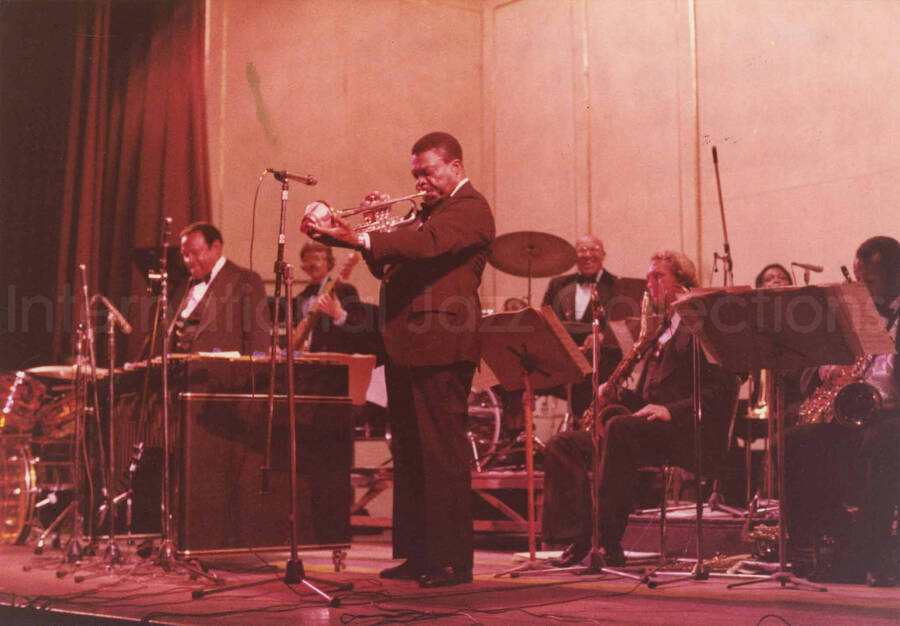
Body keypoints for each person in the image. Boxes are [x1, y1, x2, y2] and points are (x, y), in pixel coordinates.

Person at [308, 131, 495, 587]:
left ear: (454, 166)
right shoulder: (421, 216)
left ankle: (452, 560)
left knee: (441, 455)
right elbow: (388, 266)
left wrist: (364, 235)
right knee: (409, 455)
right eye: (415, 174)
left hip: (441, 345)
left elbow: (427, 246)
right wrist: (375, 228)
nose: (420, 181)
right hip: (407, 345)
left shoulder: (470, 208)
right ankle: (418, 553)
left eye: (427, 173)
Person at [543, 251, 739, 567]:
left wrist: (671, 411)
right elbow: (650, 392)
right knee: (563, 443)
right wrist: (615, 392)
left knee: (620, 429)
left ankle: (605, 540)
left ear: (681, 281)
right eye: (648, 277)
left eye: (657, 276)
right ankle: (576, 535)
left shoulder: (700, 321)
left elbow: (723, 389)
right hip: (649, 428)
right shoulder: (661, 328)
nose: (649, 284)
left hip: (688, 429)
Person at [785, 236, 900, 586]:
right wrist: (826, 370)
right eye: (857, 279)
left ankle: (863, 555)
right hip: (856, 410)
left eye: (871, 282)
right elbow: (807, 367)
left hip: (892, 412)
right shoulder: (854, 314)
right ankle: (820, 541)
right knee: (795, 440)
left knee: (882, 442)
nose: (861, 289)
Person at [541, 235, 621, 417]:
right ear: (573, 255)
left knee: (590, 376)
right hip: (562, 358)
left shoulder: (617, 285)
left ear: (603, 255)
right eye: (582, 250)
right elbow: (544, 319)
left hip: (599, 360)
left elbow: (621, 326)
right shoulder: (557, 285)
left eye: (593, 249)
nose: (587, 255)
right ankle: (515, 432)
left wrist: (603, 336)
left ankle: (585, 428)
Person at [171, 222, 269, 355]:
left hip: (224, 374)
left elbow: (259, 344)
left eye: (194, 253)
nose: (189, 260)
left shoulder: (247, 280)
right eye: (185, 254)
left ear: (216, 247)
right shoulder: (185, 285)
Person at [293, 241, 365, 354]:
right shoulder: (300, 298)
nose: (312, 264)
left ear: (329, 263)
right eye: (307, 260)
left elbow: (360, 329)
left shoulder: (345, 291)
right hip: (305, 363)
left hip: (334, 364)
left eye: (317, 259)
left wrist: (339, 314)